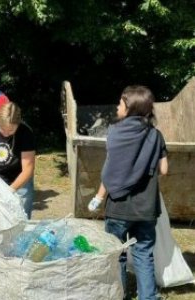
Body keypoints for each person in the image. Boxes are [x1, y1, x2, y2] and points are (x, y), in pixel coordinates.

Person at [88, 85, 168, 300]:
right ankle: (148, 296)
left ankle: (119, 295)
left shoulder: (114, 133)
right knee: (143, 254)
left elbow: (111, 169)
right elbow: (164, 170)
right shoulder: (156, 135)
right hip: (146, 208)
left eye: (120, 103)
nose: (117, 106)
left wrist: (99, 196)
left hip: (118, 207)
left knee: (117, 255)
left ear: (129, 108)